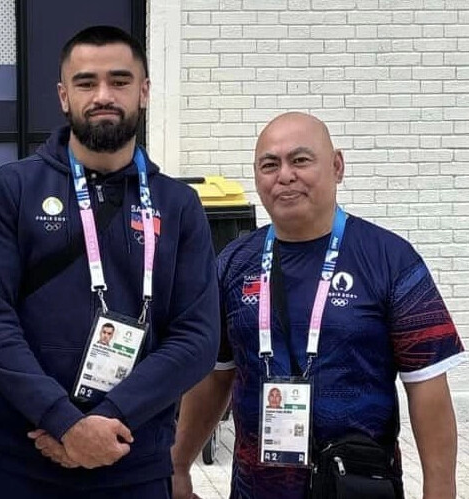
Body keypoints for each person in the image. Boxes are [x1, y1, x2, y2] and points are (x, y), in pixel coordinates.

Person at [0, 25, 220, 498]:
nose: (103, 95)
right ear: (64, 96)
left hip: (134, 462)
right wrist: (63, 422)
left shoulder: (178, 204)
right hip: (25, 461)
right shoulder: (11, 189)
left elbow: (197, 337)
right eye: (86, 82)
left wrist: (109, 419)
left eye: (120, 81)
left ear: (143, 92)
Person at [171, 112, 466, 499]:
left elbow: (427, 390)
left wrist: (439, 491)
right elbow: (215, 375)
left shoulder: (391, 259)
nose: (285, 175)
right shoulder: (234, 263)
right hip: (254, 489)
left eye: (301, 160)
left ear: (337, 166)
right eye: (270, 164)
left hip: (356, 486)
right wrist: (177, 466)